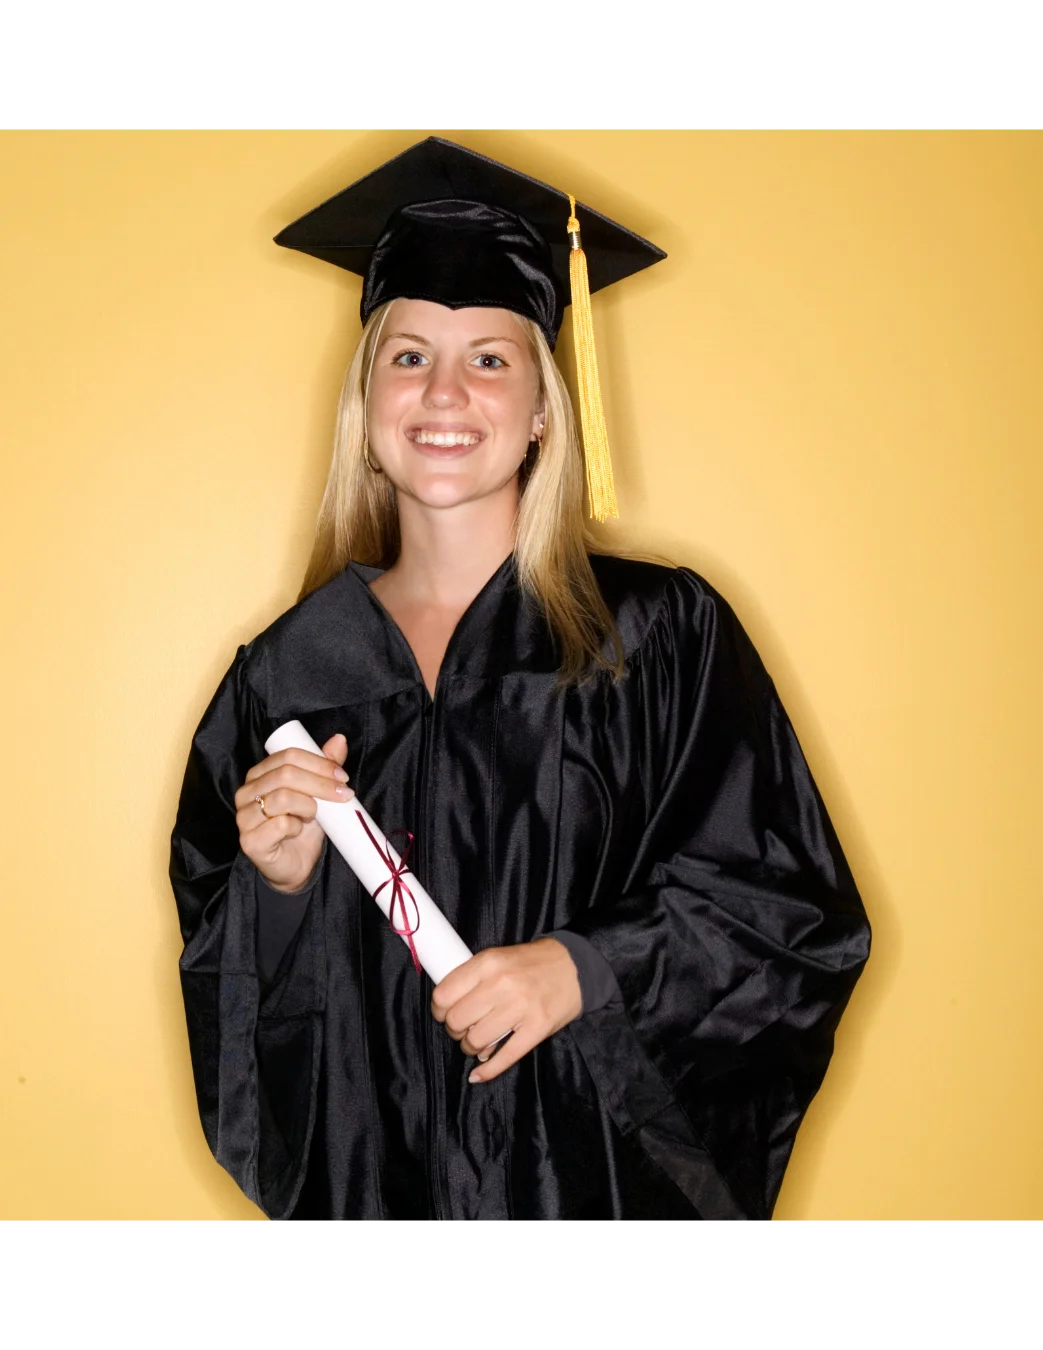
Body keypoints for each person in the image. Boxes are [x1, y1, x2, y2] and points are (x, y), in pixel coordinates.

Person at [170, 138, 871, 1224]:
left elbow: (790, 915)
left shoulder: (655, 637)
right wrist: (278, 894)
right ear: (366, 404)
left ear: (545, 406)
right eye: (408, 356)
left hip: (586, 1190)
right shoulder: (287, 677)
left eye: (491, 360)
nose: (445, 391)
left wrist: (586, 969)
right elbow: (238, 1006)